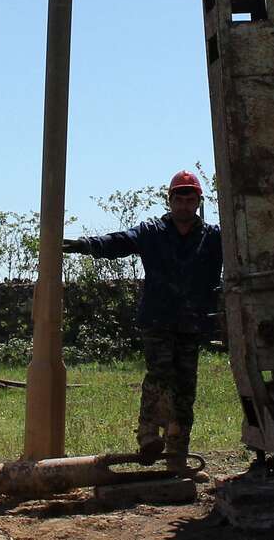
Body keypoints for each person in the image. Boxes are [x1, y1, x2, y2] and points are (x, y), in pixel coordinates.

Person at [61, 170, 222, 461]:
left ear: (199, 202)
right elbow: (120, 242)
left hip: (192, 322)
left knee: (185, 385)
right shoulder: (152, 232)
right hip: (158, 320)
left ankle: (177, 448)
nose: (185, 204)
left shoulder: (213, 238)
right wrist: (87, 245)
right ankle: (148, 434)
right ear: (170, 200)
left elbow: (243, 253)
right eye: (179, 198)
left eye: (191, 198)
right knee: (160, 375)